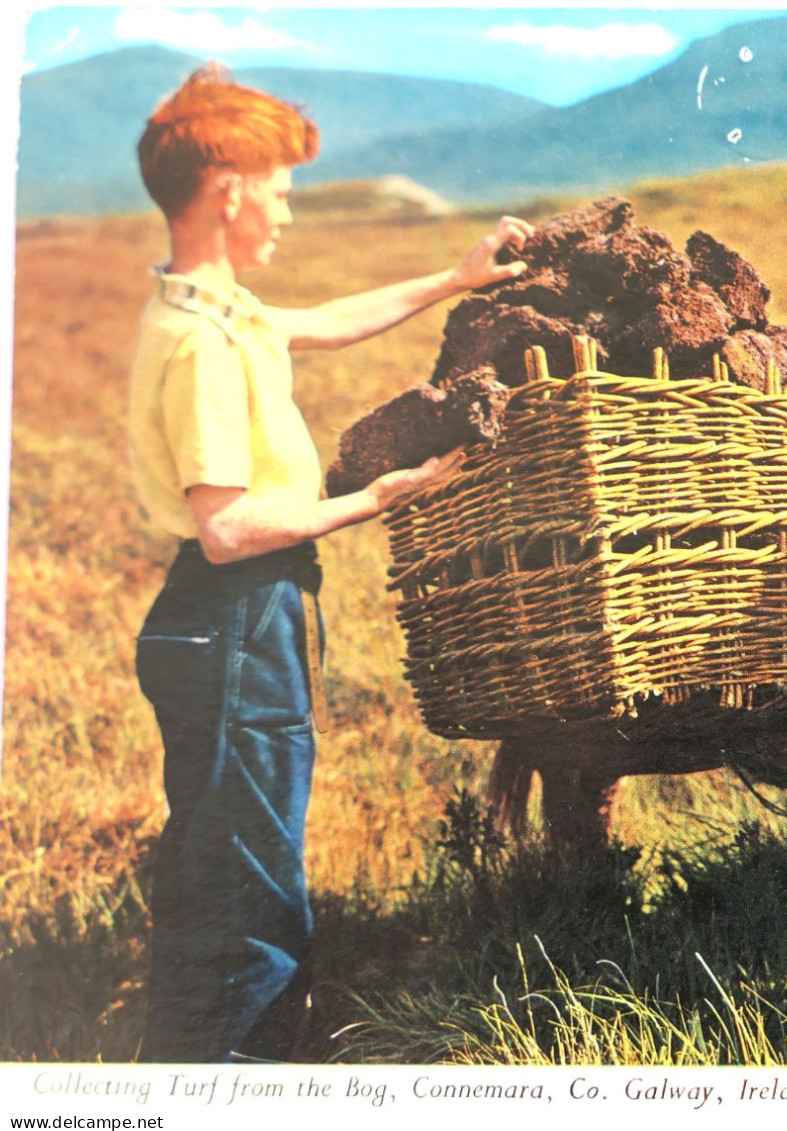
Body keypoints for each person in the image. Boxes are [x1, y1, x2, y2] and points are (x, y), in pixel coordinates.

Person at [128, 64, 533, 1062]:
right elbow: (225, 527)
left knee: (220, 855)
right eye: (279, 189)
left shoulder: (217, 313)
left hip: (233, 616)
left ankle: (191, 1059)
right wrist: (376, 501)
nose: (287, 213)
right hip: (232, 611)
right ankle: (244, 1073)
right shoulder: (202, 344)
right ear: (229, 191)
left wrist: (454, 278)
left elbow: (328, 319)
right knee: (251, 878)